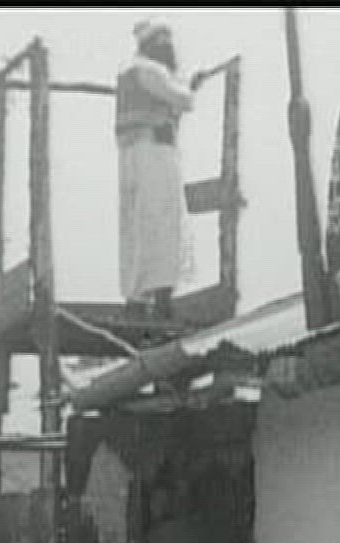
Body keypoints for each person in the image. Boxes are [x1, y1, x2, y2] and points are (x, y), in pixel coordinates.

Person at [114, 18, 211, 319]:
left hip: (131, 155)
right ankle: (161, 297)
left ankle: (136, 297)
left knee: (136, 226)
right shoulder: (151, 71)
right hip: (154, 152)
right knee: (162, 222)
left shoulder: (129, 74)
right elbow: (184, 101)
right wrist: (191, 87)